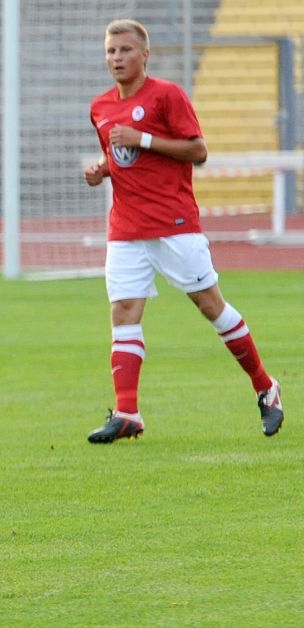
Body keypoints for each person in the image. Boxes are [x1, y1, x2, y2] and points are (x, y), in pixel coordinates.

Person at [83, 19, 283, 443]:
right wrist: (102, 170)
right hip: (125, 228)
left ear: (144, 55)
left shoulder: (167, 96)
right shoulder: (99, 107)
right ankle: (127, 413)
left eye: (125, 50)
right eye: (110, 51)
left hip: (174, 224)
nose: (116, 58)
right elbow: (122, 158)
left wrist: (143, 139)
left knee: (211, 307)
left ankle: (266, 388)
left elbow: (198, 151)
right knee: (123, 312)